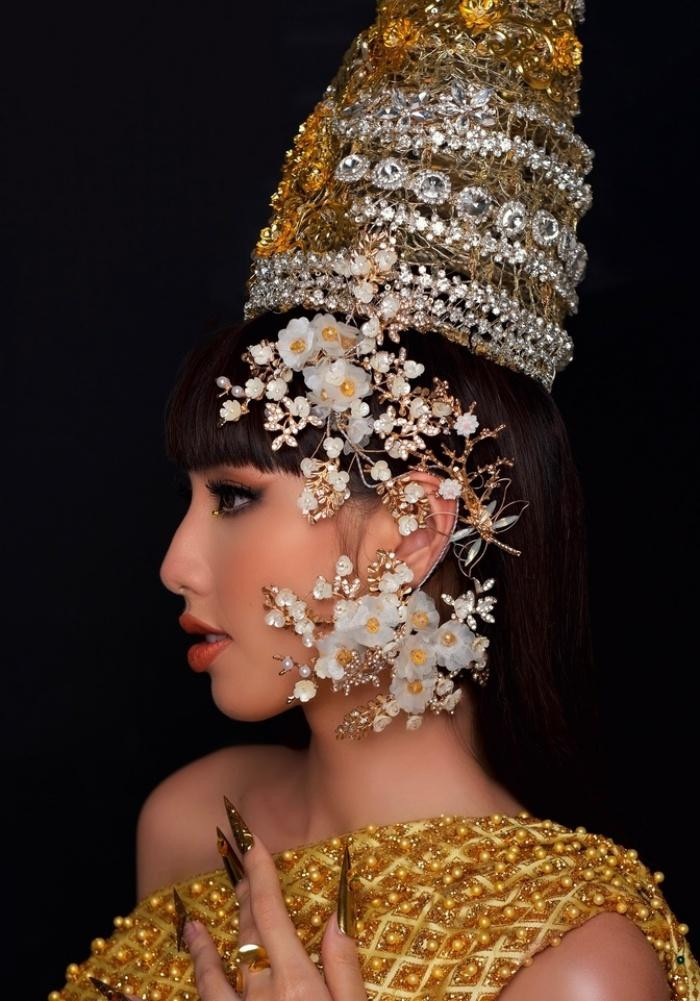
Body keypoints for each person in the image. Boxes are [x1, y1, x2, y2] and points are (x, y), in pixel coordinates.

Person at [50, 1, 699, 999]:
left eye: (234, 498)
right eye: (192, 498)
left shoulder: (574, 960)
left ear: (410, 530)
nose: (175, 564)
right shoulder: (193, 826)